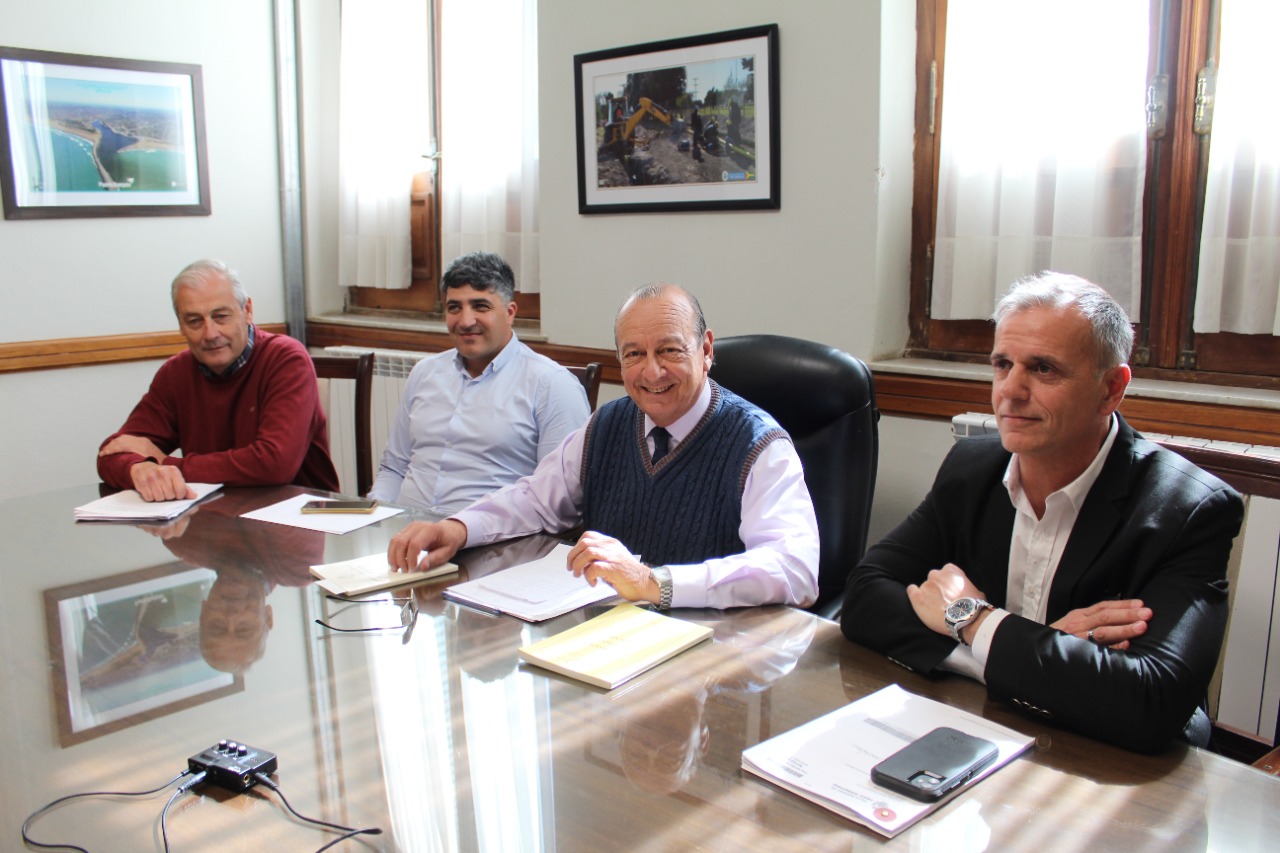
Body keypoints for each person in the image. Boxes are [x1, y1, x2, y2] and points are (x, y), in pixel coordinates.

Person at [841, 272, 1244, 753]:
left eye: (1044, 369)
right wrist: (1019, 649)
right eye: (1002, 364)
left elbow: (1151, 701)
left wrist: (974, 621)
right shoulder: (972, 469)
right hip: (985, 727)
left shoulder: (1188, 508)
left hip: (1118, 764)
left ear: (1111, 388)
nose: (1010, 391)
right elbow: (864, 598)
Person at [386, 283, 819, 609]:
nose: (652, 372)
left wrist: (654, 582)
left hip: (711, 648)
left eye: (669, 350)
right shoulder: (608, 423)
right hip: (608, 635)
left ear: (705, 349)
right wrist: (458, 528)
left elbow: (795, 568)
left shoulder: (758, 442)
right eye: (634, 355)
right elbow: (536, 499)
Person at [97, 259, 338, 500]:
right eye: (194, 321)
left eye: (221, 316)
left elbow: (274, 464)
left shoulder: (286, 359)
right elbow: (113, 451)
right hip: (211, 514)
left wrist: (165, 462)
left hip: (296, 514)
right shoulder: (175, 373)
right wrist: (140, 469)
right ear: (180, 325)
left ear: (247, 311)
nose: (210, 334)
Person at [368, 251, 590, 513]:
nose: (465, 321)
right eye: (454, 307)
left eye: (480, 306)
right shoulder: (424, 373)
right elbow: (394, 469)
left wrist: (461, 529)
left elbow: (560, 498)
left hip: (492, 536)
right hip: (404, 530)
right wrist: (374, 518)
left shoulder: (553, 386)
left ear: (510, 312)